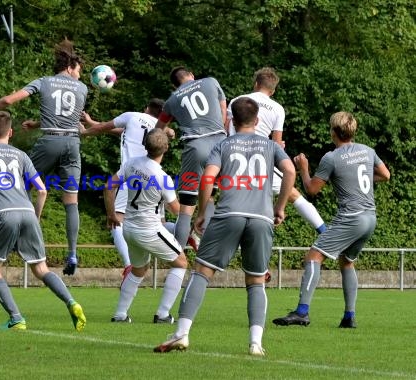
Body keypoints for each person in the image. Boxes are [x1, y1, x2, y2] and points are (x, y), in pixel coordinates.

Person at [154, 97, 296, 356]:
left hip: (229, 213)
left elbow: (208, 177)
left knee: (202, 272)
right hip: (262, 218)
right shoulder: (270, 145)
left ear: (231, 120)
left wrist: (203, 209)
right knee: (255, 281)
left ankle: (181, 334)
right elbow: (290, 171)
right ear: (257, 121)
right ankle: (255, 343)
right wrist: (280, 207)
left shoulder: (223, 144)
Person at [0, 111, 86, 331]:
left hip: (3, 214)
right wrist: (34, 217)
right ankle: (71, 302)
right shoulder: (21, 155)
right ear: (11, 132)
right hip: (27, 211)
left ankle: (16, 318)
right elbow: (42, 190)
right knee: (41, 269)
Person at [272, 111, 390, 328]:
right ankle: (349, 317)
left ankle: (301, 312)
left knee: (313, 257)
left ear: (334, 132)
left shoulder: (332, 157)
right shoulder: (367, 151)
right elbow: (385, 175)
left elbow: (311, 189)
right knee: (346, 261)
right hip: (370, 218)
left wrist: (303, 169)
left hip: (351, 218)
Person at [0, 39, 87, 276]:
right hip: (72, 144)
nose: (79, 76)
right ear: (70, 67)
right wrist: (39, 122)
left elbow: (9, 101)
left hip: (49, 142)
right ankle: (72, 253)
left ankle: (22, 237)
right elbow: (69, 117)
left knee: (22, 185)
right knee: (72, 202)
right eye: (79, 71)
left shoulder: (44, 82)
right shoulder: (82, 89)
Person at [80, 98, 172, 281]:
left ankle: (129, 263)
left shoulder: (131, 116)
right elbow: (122, 132)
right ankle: (184, 233)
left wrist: (85, 132)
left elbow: (103, 128)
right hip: (155, 176)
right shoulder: (160, 129)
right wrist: (91, 122)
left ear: (146, 107)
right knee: (159, 222)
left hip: (132, 174)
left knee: (117, 220)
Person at [227, 67, 327, 234]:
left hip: (233, 157)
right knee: (294, 196)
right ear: (272, 91)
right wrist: (279, 146)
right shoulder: (277, 109)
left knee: (215, 197)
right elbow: (276, 142)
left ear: (256, 83)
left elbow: (227, 130)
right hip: (261, 158)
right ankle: (325, 234)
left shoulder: (238, 100)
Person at [105, 128, 187, 324]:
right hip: (149, 229)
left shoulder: (131, 164)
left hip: (129, 228)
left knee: (138, 270)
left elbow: (109, 186)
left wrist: (111, 214)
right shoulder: (162, 177)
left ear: (145, 145)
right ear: (166, 148)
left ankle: (120, 315)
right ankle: (163, 314)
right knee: (181, 263)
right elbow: (177, 210)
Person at [155, 66, 228, 252]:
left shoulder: (172, 100)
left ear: (174, 85)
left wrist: (168, 133)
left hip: (195, 146)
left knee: (187, 206)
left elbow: (158, 129)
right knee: (210, 196)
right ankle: (206, 250)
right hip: (220, 144)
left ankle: (178, 259)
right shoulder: (211, 82)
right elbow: (223, 110)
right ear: (191, 75)